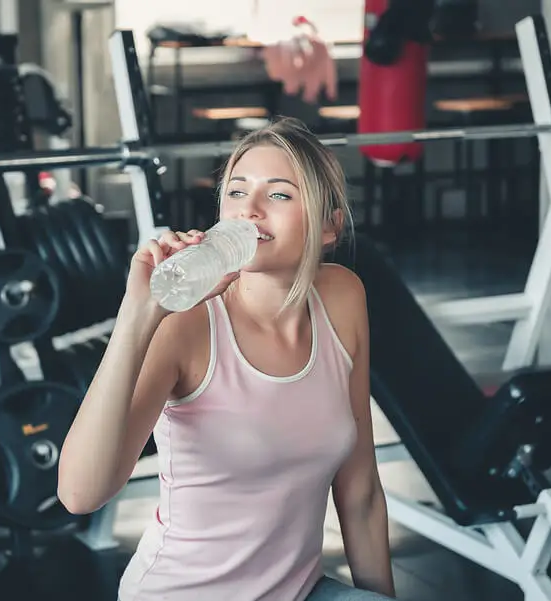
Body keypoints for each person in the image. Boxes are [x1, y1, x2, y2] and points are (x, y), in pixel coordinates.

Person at [57, 117, 394, 601]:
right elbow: (78, 494)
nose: (249, 211)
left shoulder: (342, 297)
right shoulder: (186, 325)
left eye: (278, 195)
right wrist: (136, 318)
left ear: (328, 227)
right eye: (236, 193)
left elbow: (359, 492)